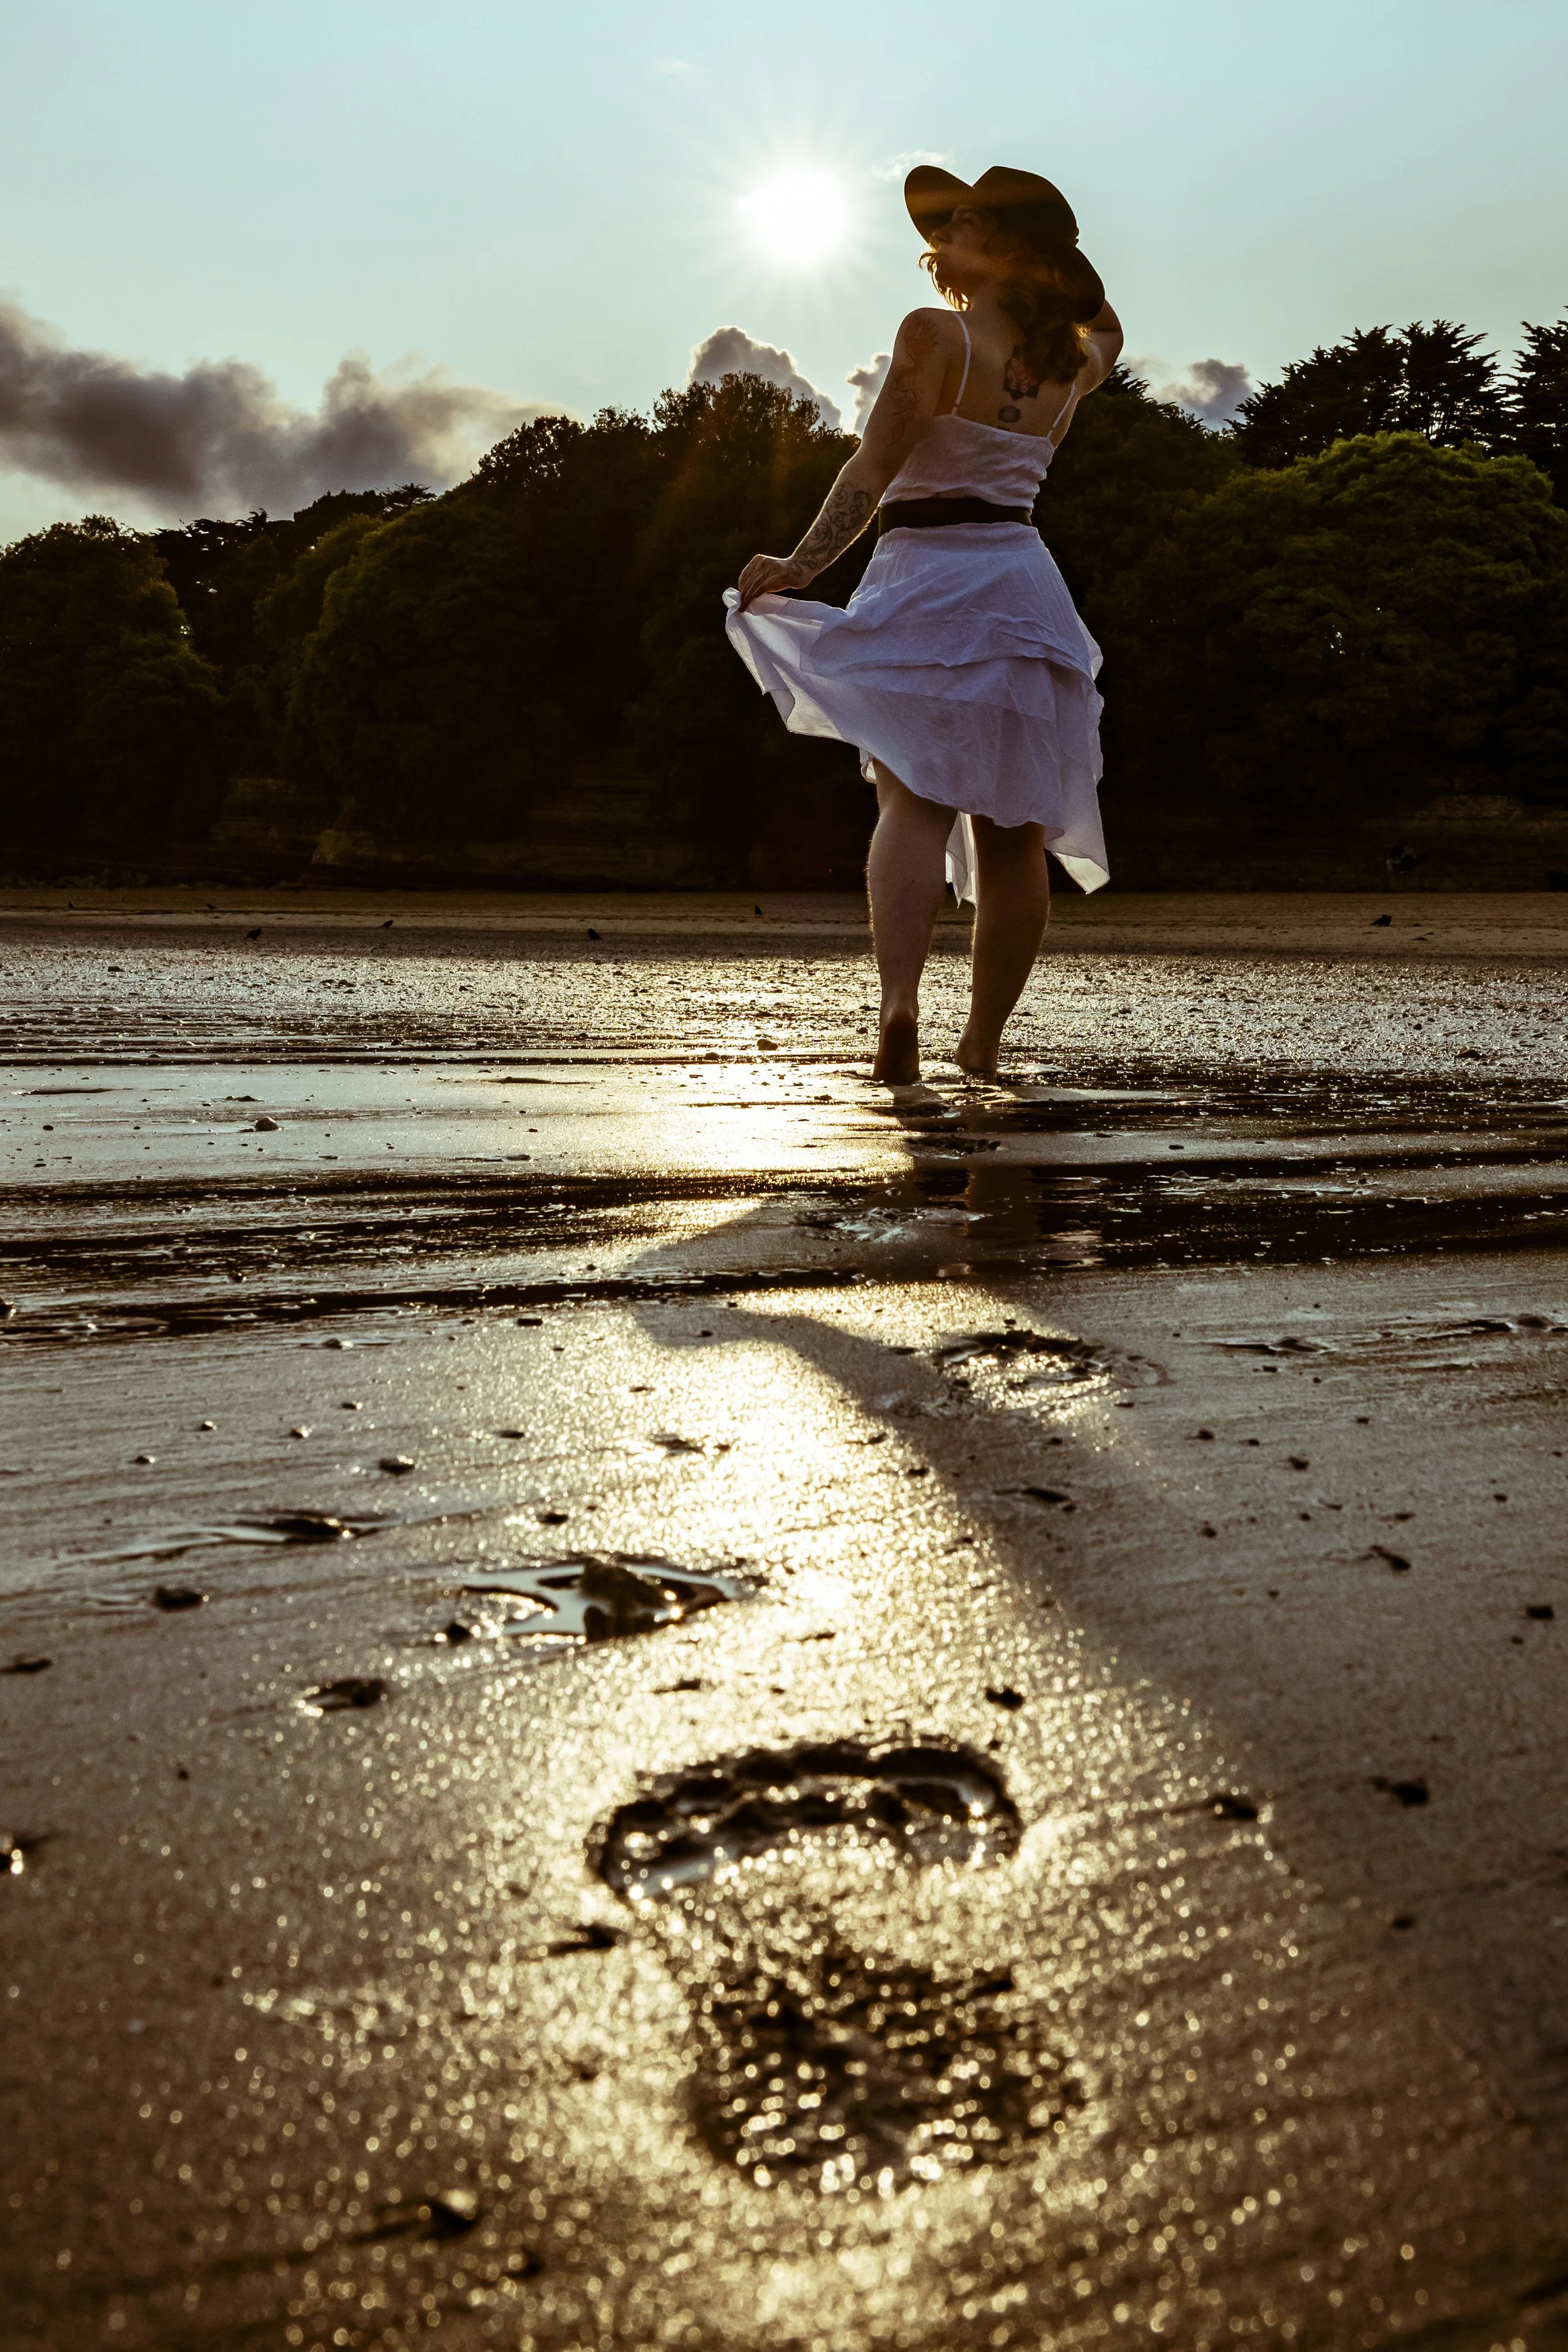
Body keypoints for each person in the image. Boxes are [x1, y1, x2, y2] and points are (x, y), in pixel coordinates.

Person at [726, 164, 1123, 1084]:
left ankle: (899, 1008)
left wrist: (798, 565)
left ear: (1011, 243)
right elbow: (1108, 322)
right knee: (1016, 832)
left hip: (925, 580)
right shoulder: (1073, 361)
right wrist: (1054, 268)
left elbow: (873, 465)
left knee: (912, 800)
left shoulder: (935, 332)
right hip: (1025, 591)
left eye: (972, 220)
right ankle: (981, 1046)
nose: (950, 230)